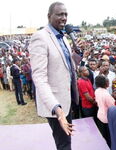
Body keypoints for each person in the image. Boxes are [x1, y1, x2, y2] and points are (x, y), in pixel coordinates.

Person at [29, 2, 80, 149]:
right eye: (59, 14)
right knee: (64, 144)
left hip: (68, 99)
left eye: (65, 14)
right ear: (49, 16)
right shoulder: (40, 37)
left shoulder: (63, 36)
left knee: (66, 140)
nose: (64, 18)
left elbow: (66, 66)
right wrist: (57, 109)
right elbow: (39, 78)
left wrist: (77, 55)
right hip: (56, 103)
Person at [94, 74, 115, 146]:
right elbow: (113, 107)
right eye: (108, 81)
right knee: (109, 137)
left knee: (103, 134)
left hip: (100, 115)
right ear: (105, 83)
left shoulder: (97, 90)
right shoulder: (106, 95)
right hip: (107, 118)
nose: (109, 83)